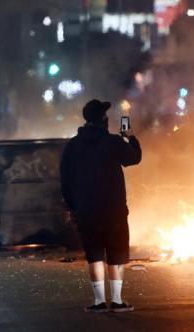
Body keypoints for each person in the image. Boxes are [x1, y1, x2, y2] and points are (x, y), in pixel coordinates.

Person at [59, 99, 142, 313]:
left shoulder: (72, 145)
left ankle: (98, 302)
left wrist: (73, 207)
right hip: (113, 211)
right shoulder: (113, 142)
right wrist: (129, 136)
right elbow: (134, 158)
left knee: (94, 254)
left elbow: (65, 181)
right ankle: (116, 301)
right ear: (103, 119)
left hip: (86, 211)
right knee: (116, 255)